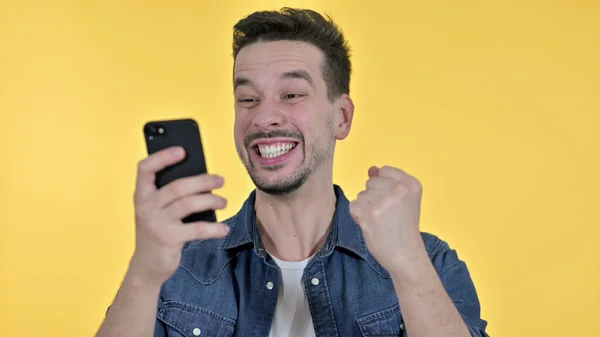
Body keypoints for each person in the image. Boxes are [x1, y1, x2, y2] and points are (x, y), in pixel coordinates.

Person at [95, 7, 489, 337]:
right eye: (247, 98)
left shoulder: (429, 262)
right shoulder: (177, 267)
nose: (264, 117)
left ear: (342, 116)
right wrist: (144, 275)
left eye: (292, 95)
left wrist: (409, 266)